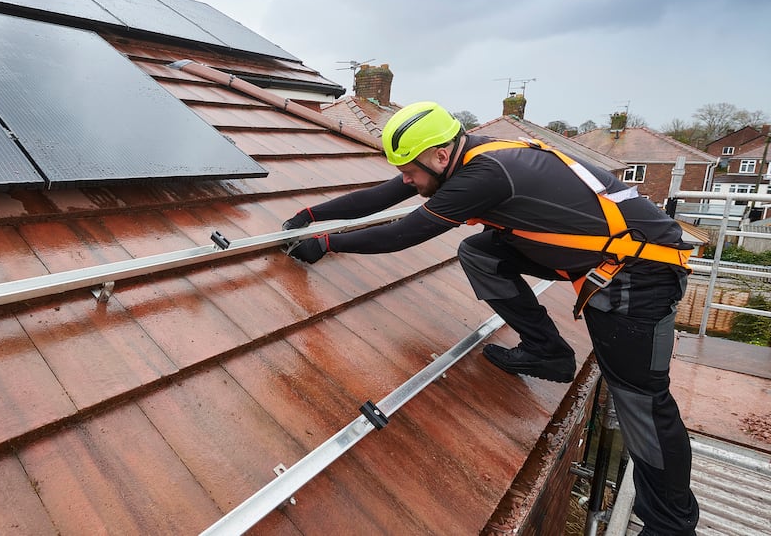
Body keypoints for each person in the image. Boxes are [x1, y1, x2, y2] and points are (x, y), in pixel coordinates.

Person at [283, 101, 697, 535]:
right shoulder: (469, 154)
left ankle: (671, 523)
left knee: (642, 402)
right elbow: (383, 197)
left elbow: (403, 233)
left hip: (637, 274)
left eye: (409, 169)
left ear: (441, 156)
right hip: (599, 255)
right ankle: (547, 352)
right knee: (480, 251)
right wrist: (310, 217)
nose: (405, 179)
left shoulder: (483, 176)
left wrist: (326, 244)